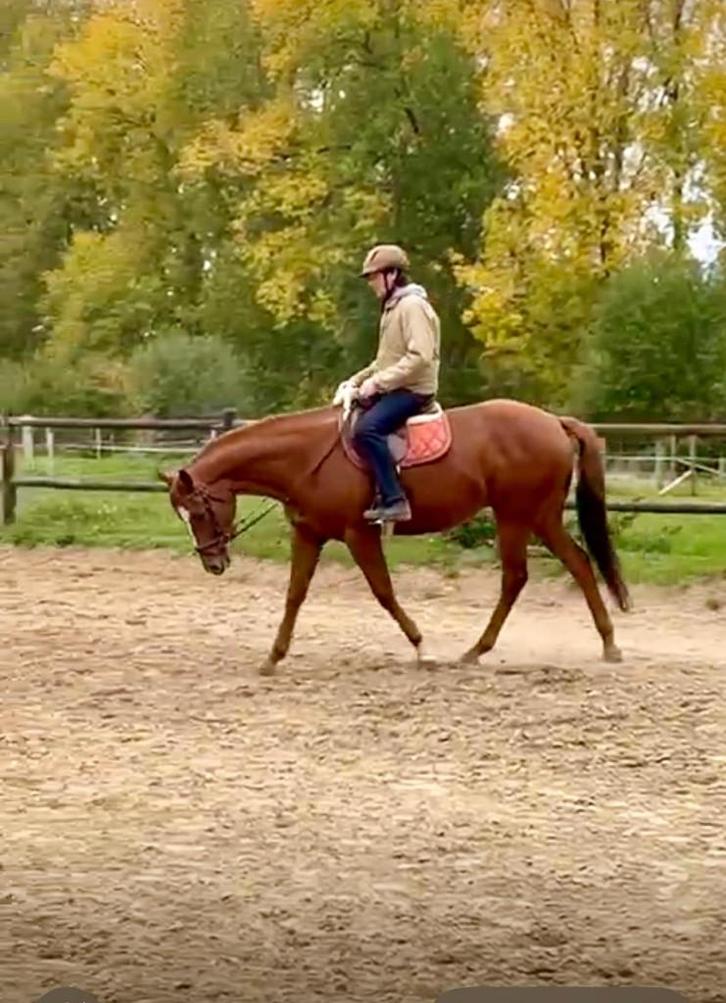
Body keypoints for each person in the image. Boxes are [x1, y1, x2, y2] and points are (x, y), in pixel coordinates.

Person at [333, 243, 441, 523]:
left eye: (374, 277)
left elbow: (420, 356)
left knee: (367, 429)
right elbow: (383, 361)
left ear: (392, 274)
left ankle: (395, 500)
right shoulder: (393, 308)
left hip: (413, 390)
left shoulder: (412, 307)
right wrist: (355, 381)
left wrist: (377, 384)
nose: (371, 284)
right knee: (352, 419)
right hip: (396, 386)